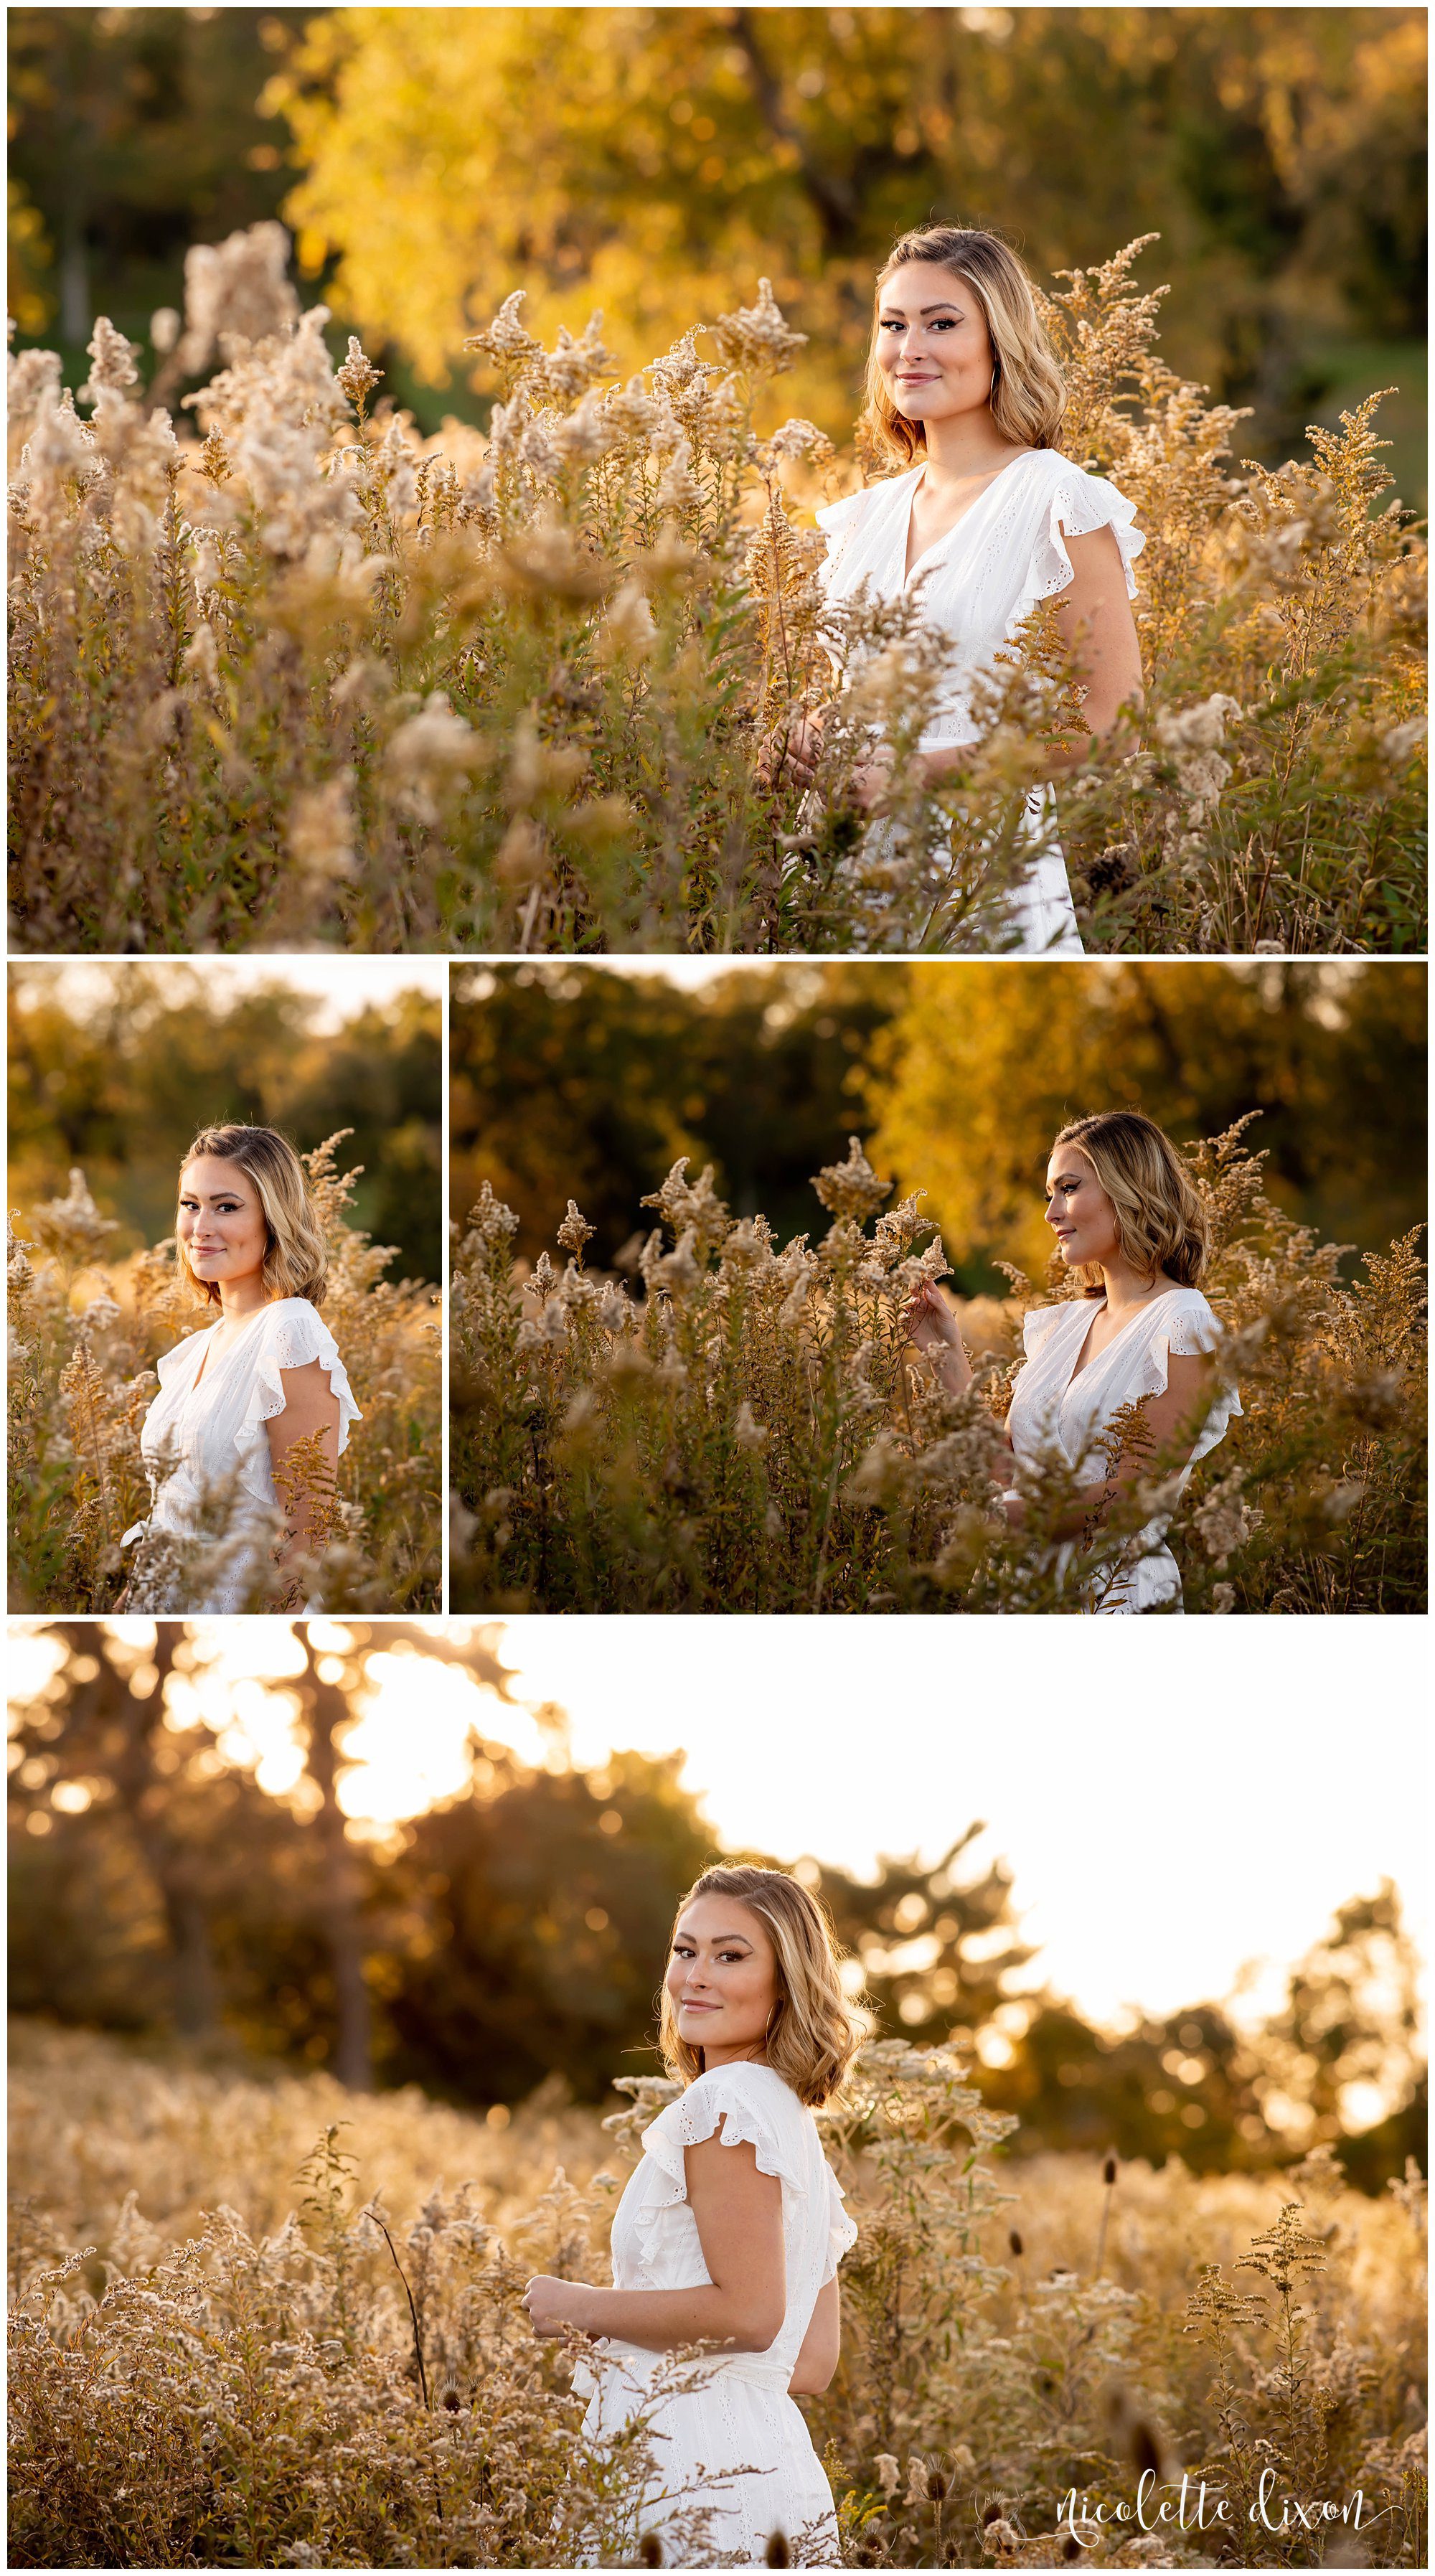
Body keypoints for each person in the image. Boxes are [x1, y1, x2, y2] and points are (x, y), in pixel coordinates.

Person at [786, 224, 1146, 955]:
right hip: (834, 873)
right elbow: (857, 690)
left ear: (998, 343)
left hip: (983, 878)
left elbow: (1111, 717)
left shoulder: (1059, 503)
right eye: (892, 325)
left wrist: (917, 771)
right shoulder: (865, 515)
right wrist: (801, 740)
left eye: (940, 324)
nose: (907, 348)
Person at [522, 1865, 863, 2565]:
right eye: (685, 1950)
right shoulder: (793, 2126)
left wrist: (580, 2305)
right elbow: (810, 2359)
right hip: (773, 2469)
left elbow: (750, 2315)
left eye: (730, 1954)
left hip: (685, 2472)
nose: (696, 1974)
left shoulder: (725, 2103)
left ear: (785, 1983)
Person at [906, 1111, 1240, 1612]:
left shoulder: (1182, 1323)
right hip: (1018, 1590)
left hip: (1111, 1595)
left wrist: (999, 1520)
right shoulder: (1063, 1328)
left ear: (1130, 1189)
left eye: (1069, 1188)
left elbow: (1134, 1497)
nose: (1051, 1213)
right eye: (1050, 1194)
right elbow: (1007, 1471)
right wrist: (944, 1351)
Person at [121, 1124, 359, 1611]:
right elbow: (169, 1511)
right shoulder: (194, 1350)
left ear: (273, 1220)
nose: (200, 1227)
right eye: (191, 1204)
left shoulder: (290, 1332)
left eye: (226, 1207)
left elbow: (306, 1537)